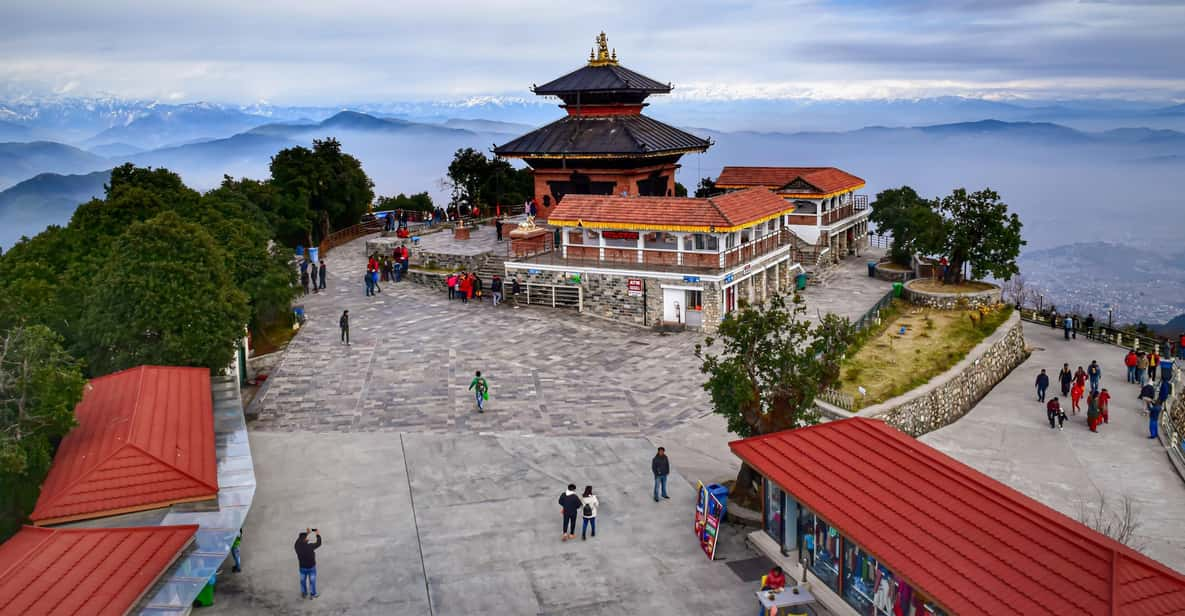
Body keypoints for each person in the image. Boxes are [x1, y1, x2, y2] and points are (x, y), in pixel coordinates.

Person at [295, 528, 322, 599]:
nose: (308, 539)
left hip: (302, 568)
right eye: (306, 538)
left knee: (302, 581)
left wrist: (307, 533)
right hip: (311, 568)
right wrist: (317, 534)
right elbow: (319, 543)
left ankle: (304, 593)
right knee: (312, 581)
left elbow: (298, 540)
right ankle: (313, 594)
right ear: (304, 540)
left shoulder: (297, 546)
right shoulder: (310, 546)